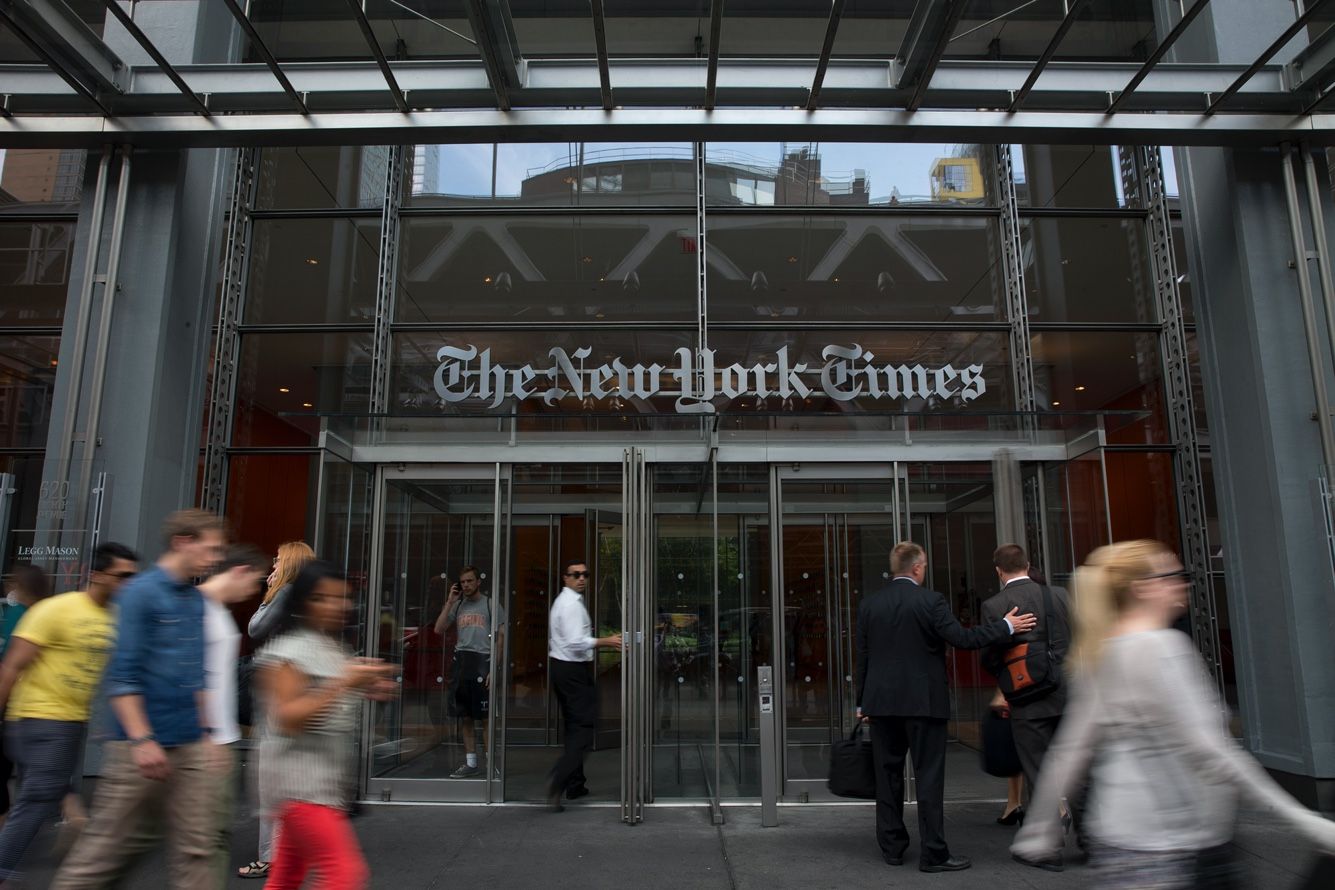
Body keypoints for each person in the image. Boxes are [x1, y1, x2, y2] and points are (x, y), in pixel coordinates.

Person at [1012, 540, 1335, 881]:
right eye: (1173, 576)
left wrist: (1040, 829)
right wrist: (1306, 821)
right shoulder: (1160, 648)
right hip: (1177, 841)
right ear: (1142, 588)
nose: (1184, 583)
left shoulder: (1102, 652)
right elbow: (1212, 752)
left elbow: (1071, 750)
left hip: (1125, 836)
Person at [51, 509, 227, 890]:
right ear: (183, 542)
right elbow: (124, 674)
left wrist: (208, 733)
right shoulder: (140, 594)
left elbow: (196, 674)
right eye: (211, 549)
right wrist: (142, 738)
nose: (215, 559)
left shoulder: (196, 601)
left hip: (189, 744)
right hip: (139, 749)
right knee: (104, 855)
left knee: (198, 850)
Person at [855, 541, 1036, 873]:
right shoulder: (931, 601)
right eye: (924, 565)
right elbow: (963, 640)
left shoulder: (870, 605)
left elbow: (864, 656)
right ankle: (933, 854)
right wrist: (1006, 626)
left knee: (887, 777)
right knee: (928, 778)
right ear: (917, 568)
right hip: (924, 704)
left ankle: (892, 848)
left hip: (881, 704)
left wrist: (861, 702)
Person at [0, 544, 138, 881]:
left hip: (73, 721)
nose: (128, 583)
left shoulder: (116, 618)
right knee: (39, 796)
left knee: (44, 792)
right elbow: (12, 665)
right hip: (38, 716)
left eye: (133, 577)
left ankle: (74, 825)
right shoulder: (56, 610)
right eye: (122, 576)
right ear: (97, 575)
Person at [257, 561, 396, 890]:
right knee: (344, 874)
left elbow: (329, 698)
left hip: (322, 783)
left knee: (287, 876)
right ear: (304, 602)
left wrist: (365, 686)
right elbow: (288, 718)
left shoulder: (333, 647)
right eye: (323, 598)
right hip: (299, 785)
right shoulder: (288, 650)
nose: (337, 606)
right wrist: (346, 683)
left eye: (342, 597)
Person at [980, 544, 1076, 827]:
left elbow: (990, 657)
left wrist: (1008, 681)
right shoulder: (1059, 595)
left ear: (999, 572)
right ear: (1027, 564)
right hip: (1064, 691)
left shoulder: (994, 606)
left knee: (1036, 767)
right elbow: (1074, 637)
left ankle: (1049, 835)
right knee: (1075, 763)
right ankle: (1087, 834)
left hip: (1025, 698)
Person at [239, 539, 313, 881]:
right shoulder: (307, 597)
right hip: (298, 691)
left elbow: (255, 628)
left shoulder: (285, 593)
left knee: (271, 779)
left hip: (279, 695)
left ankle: (272, 857)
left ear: (291, 564)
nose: (273, 566)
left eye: (278, 560)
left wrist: (271, 594)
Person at [546, 559, 621, 811]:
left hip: (564, 669)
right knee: (584, 729)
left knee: (574, 727)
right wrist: (607, 641)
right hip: (572, 671)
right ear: (565, 577)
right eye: (576, 574)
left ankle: (575, 784)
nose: (581, 578)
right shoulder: (570, 605)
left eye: (585, 574)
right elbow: (576, 642)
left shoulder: (566, 602)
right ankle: (559, 781)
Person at [433, 564, 505, 779]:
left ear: (478, 582)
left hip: (483, 660)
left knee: (485, 717)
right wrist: (449, 602)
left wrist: (494, 668)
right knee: (465, 716)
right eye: (463, 582)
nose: (466, 585)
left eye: (470, 581)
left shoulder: (491, 605)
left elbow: (500, 638)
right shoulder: (458, 605)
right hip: (462, 662)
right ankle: (471, 763)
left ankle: (490, 763)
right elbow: (439, 628)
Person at [0, 563, 51, 826]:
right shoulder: (38, 613)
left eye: (13, 584)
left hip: (16, 704)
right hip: (31, 705)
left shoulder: (19, 614)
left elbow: (8, 663)